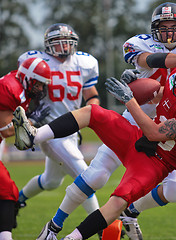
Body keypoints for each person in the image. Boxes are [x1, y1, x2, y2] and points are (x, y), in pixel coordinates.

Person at [17, 3, 176, 240]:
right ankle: (54, 225)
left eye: (174, 27)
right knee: (95, 174)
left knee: (174, 191)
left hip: (164, 135)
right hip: (135, 119)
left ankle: (129, 213)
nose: (169, 32)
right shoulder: (141, 44)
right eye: (163, 26)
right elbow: (153, 60)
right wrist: (141, 78)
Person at [16, 23, 102, 238]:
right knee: (86, 177)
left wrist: (94, 109)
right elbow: (25, 90)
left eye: (67, 42)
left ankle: (17, 200)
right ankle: (102, 229)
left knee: (50, 181)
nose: (63, 47)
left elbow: (91, 94)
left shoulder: (85, 63)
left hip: (73, 130)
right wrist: (31, 114)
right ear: (47, 45)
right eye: (58, 42)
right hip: (49, 131)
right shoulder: (37, 61)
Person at [0, 57, 51, 240]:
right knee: (7, 192)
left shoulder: (19, 84)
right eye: (38, 84)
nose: (40, 89)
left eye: (42, 85)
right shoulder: (10, 89)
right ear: (28, 78)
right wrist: (31, 121)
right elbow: (5, 130)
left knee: (8, 193)